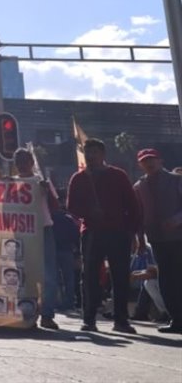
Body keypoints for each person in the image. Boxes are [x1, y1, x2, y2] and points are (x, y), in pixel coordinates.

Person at [67, 138, 140, 333]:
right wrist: (89, 212)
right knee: (90, 276)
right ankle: (89, 319)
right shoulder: (79, 178)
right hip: (91, 232)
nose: (91, 156)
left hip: (118, 232)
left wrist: (132, 232)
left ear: (102, 154)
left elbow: (132, 205)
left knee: (120, 276)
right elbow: (72, 206)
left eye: (95, 152)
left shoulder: (118, 175)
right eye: (88, 152)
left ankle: (121, 320)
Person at [133, 148, 182, 334]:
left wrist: (176, 220)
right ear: (140, 165)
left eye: (152, 159)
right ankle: (177, 319)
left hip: (178, 237)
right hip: (157, 239)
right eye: (145, 161)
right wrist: (139, 237)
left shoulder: (177, 180)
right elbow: (138, 215)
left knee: (178, 277)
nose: (149, 163)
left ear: (160, 160)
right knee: (166, 280)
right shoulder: (139, 186)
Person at [14, 148, 60, 329]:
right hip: (21, 232)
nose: (22, 166)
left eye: (25, 161)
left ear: (32, 163)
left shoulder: (41, 182)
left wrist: (46, 191)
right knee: (24, 276)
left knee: (48, 275)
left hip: (43, 229)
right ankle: (28, 315)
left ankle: (47, 315)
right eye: (19, 162)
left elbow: (56, 207)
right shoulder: (11, 184)